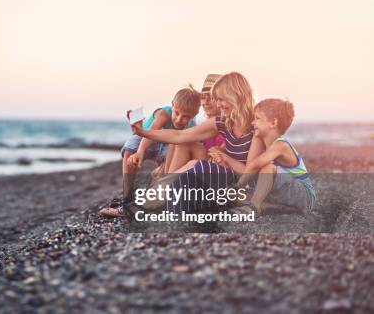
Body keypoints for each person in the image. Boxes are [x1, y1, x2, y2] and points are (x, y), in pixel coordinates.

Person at [131, 72, 264, 213]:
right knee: (187, 148)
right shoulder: (223, 122)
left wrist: (224, 156)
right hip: (224, 174)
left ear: (235, 96)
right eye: (216, 100)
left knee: (198, 165)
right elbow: (179, 136)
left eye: (220, 99)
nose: (217, 104)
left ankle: (148, 203)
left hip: (241, 186)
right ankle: (153, 201)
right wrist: (143, 132)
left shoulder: (257, 127)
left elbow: (249, 174)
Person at [99, 86, 200, 217]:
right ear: (172, 105)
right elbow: (150, 134)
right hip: (146, 138)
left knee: (176, 150)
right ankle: (127, 198)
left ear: (195, 114)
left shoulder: (192, 125)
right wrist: (140, 151)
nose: (179, 119)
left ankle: (161, 194)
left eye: (186, 117)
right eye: (177, 113)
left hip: (168, 144)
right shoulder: (163, 114)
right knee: (130, 151)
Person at [233, 99, 315, 215]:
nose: (252, 123)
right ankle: (275, 208)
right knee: (235, 196)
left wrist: (238, 185)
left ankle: (255, 206)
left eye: (257, 118)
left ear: (273, 123)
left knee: (267, 168)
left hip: (303, 197)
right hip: (286, 197)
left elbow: (256, 164)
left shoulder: (281, 145)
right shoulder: (268, 146)